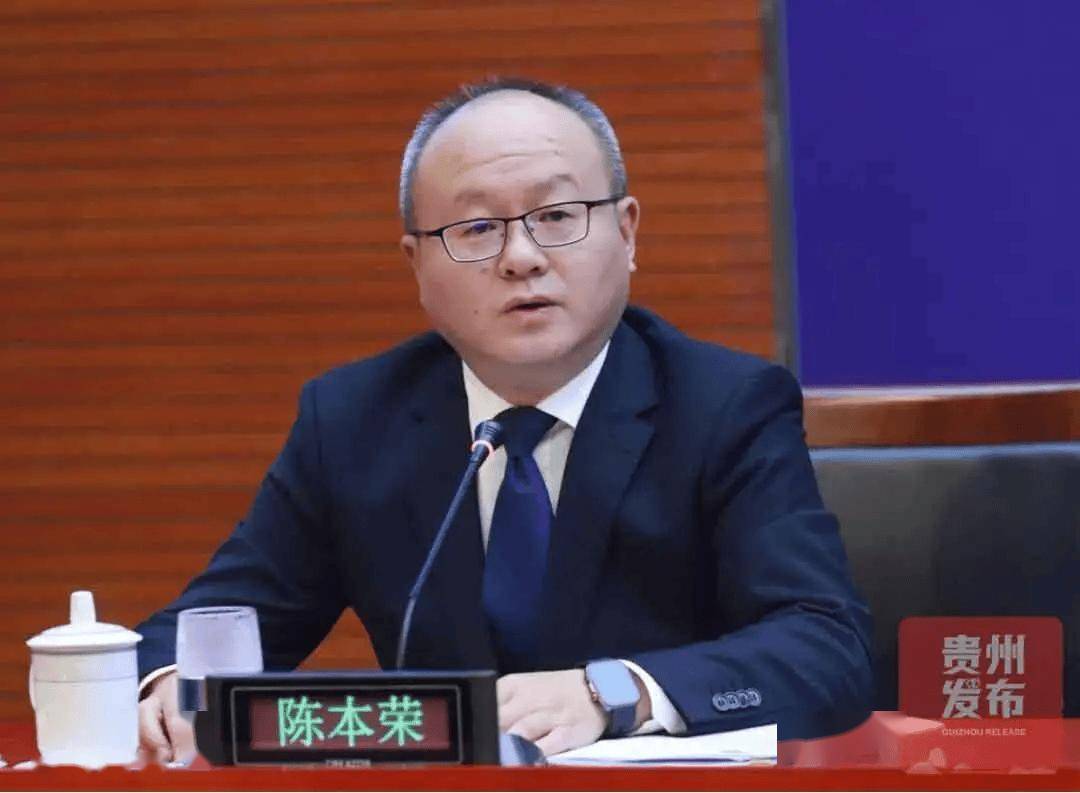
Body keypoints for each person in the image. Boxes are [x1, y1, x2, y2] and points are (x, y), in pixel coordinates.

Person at [136, 77, 873, 763]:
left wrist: (615, 691)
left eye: (555, 217)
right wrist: (170, 684)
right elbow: (213, 625)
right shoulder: (355, 420)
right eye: (478, 227)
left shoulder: (725, 406)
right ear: (417, 265)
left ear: (627, 232)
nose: (521, 257)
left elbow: (825, 649)